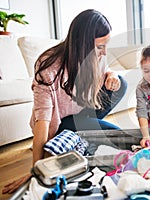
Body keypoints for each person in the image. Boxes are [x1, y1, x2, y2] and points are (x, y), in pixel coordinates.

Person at [2, 9, 127, 194]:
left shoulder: (96, 56)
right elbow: (42, 121)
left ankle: (87, 126)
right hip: (61, 123)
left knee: (121, 84)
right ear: (83, 45)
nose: (105, 51)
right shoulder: (48, 67)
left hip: (82, 112)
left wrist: (112, 75)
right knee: (116, 135)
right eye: (100, 46)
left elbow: (105, 70)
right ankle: (83, 130)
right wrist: (37, 171)